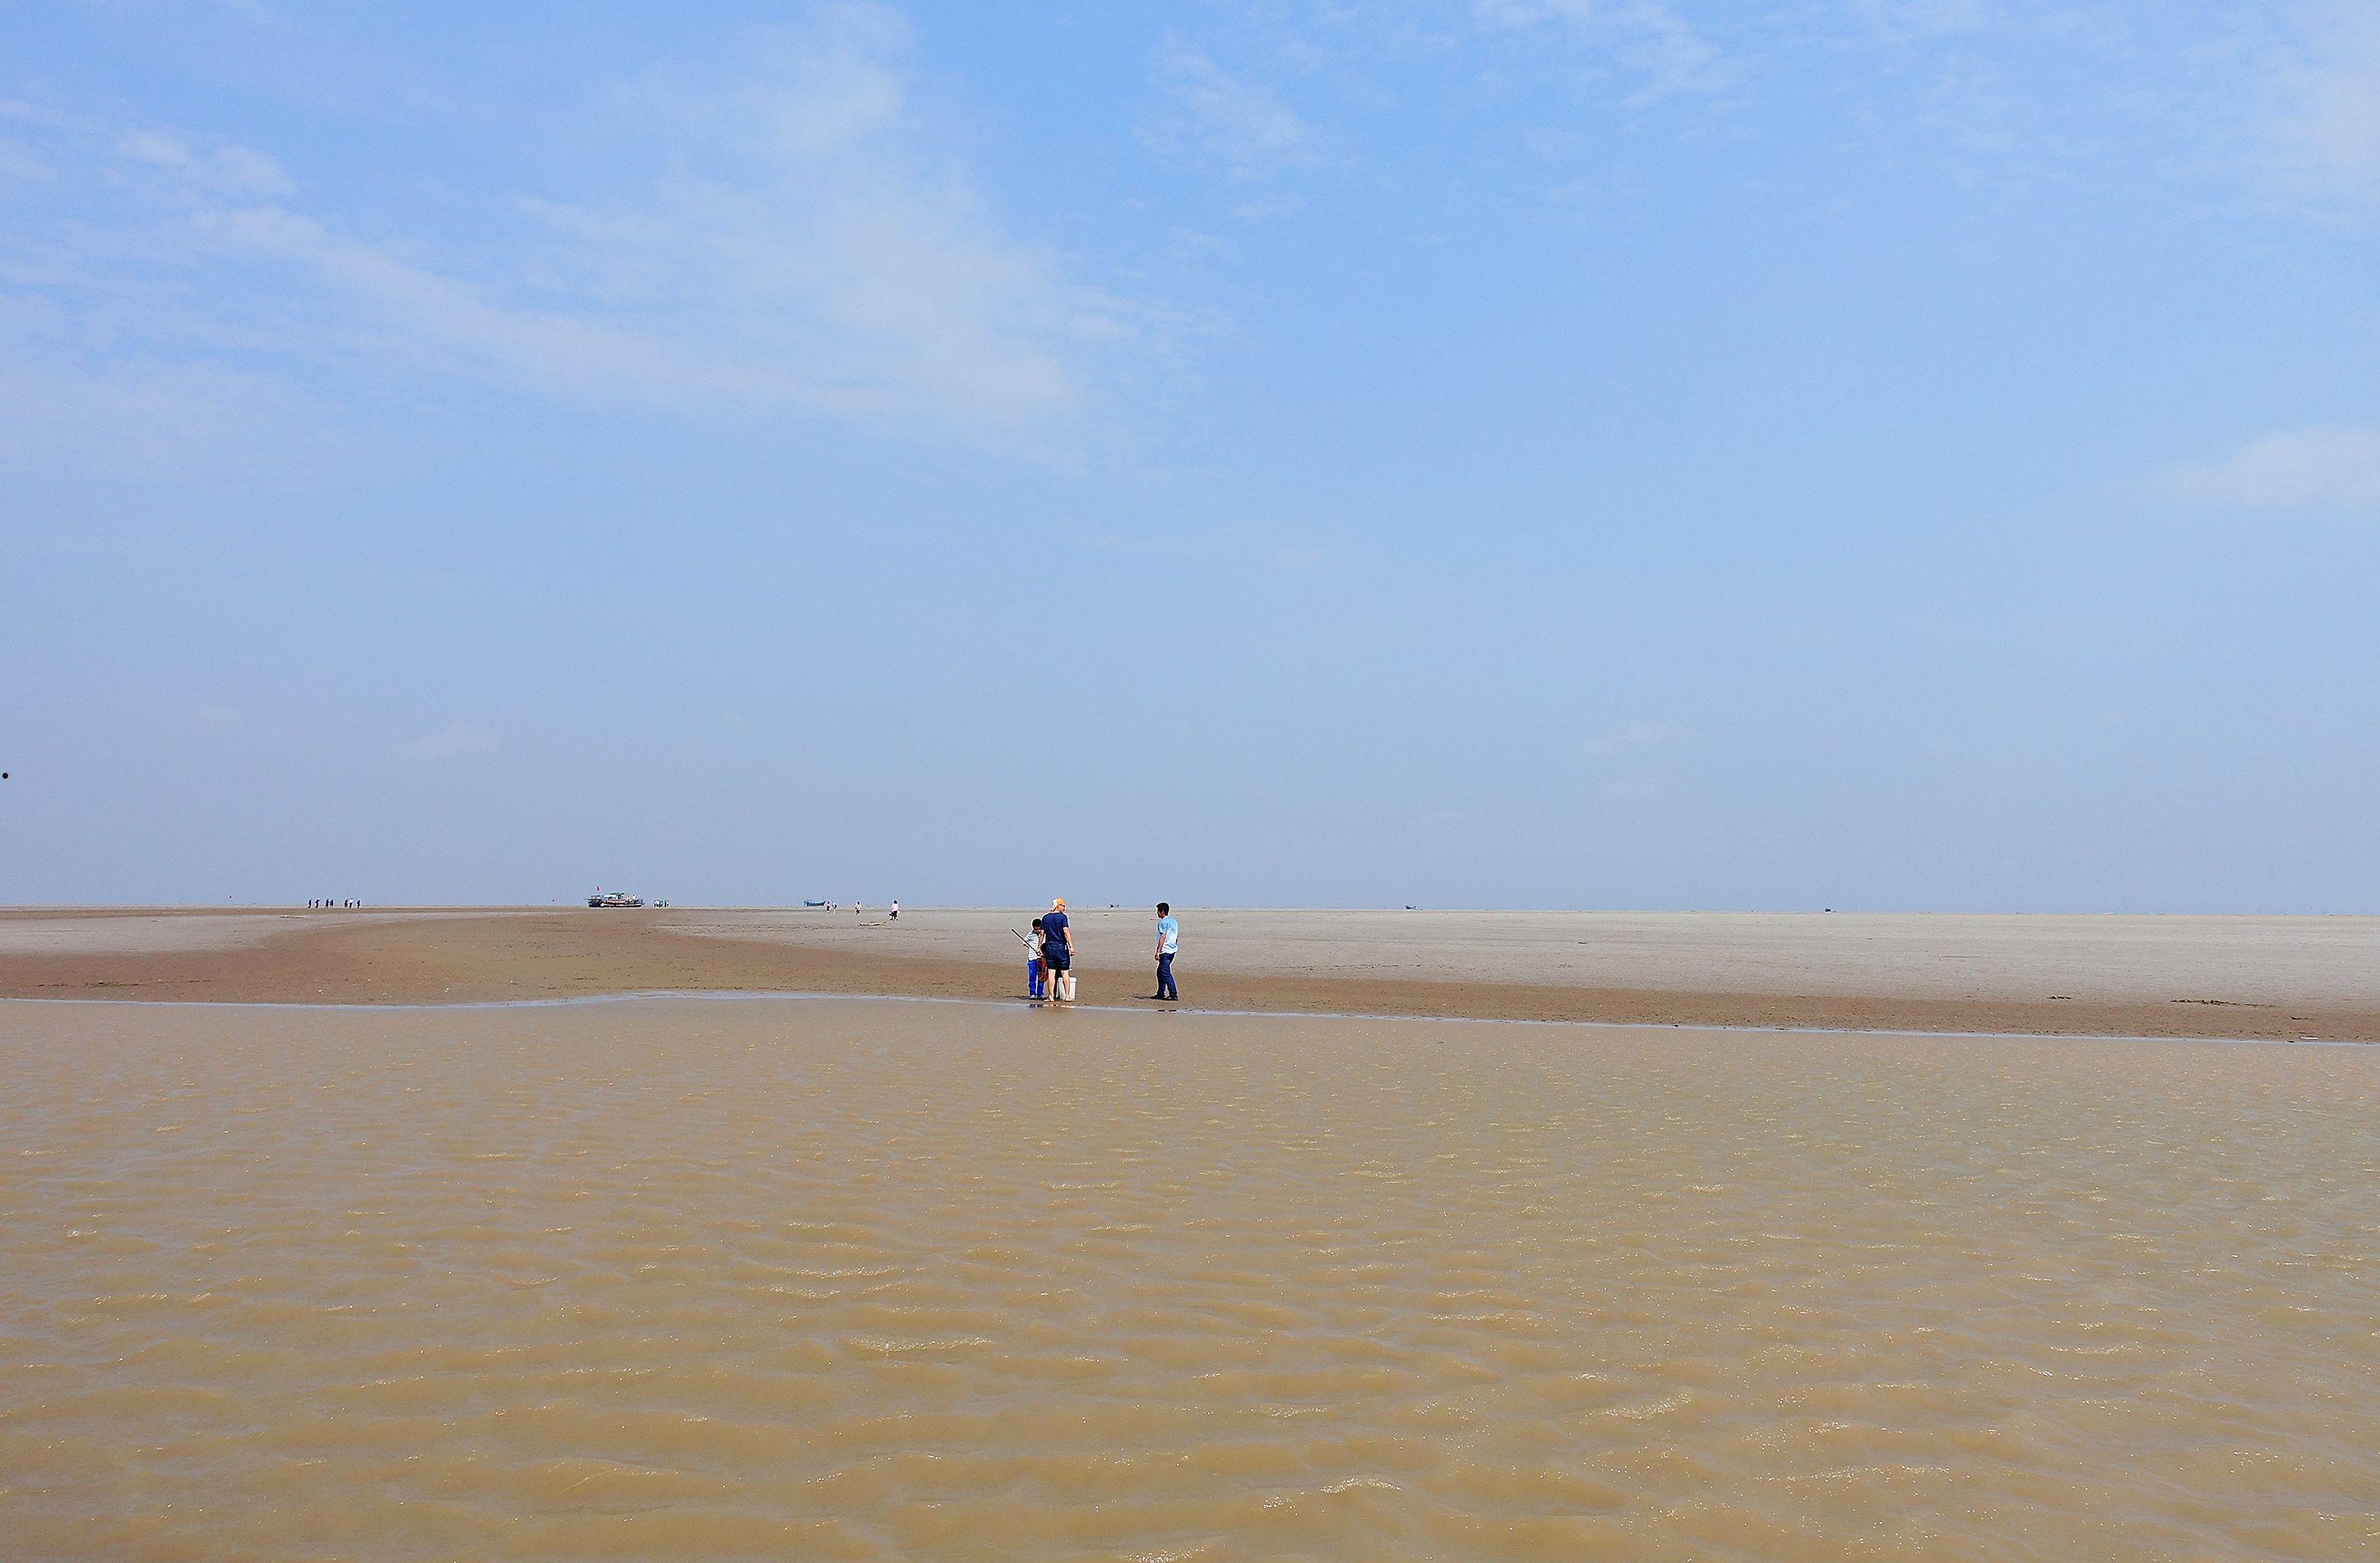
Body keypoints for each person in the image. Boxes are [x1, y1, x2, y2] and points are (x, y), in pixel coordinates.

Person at [1041, 897, 1074, 1003]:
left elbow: (1042, 933)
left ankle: (1051, 996)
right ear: (1057, 906)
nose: (1064, 908)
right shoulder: (1062, 917)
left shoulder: (1045, 918)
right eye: (1063, 906)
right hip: (1060, 947)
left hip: (1050, 947)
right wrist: (1071, 946)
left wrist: (1039, 947)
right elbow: (1066, 932)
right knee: (1065, 972)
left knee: (1051, 972)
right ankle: (1067, 996)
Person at [1151, 902, 1179, 1001]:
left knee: (1165, 973)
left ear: (1162, 912)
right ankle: (1160, 993)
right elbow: (1176, 936)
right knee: (1160, 972)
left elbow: (1163, 937)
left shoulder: (1162, 923)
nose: (1157, 913)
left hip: (1165, 951)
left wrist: (1158, 951)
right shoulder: (1174, 922)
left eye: (1158, 911)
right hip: (1172, 950)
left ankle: (1173, 994)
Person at [1027, 917, 1046, 1000]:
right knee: (1032, 976)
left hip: (1042, 959)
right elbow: (1024, 942)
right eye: (1035, 929)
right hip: (1032, 958)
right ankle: (1032, 993)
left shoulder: (1045, 935)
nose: (1037, 931)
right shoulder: (1030, 934)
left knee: (1041, 977)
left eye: (1038, 929)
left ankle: (1040, 993)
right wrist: (1030, 947)